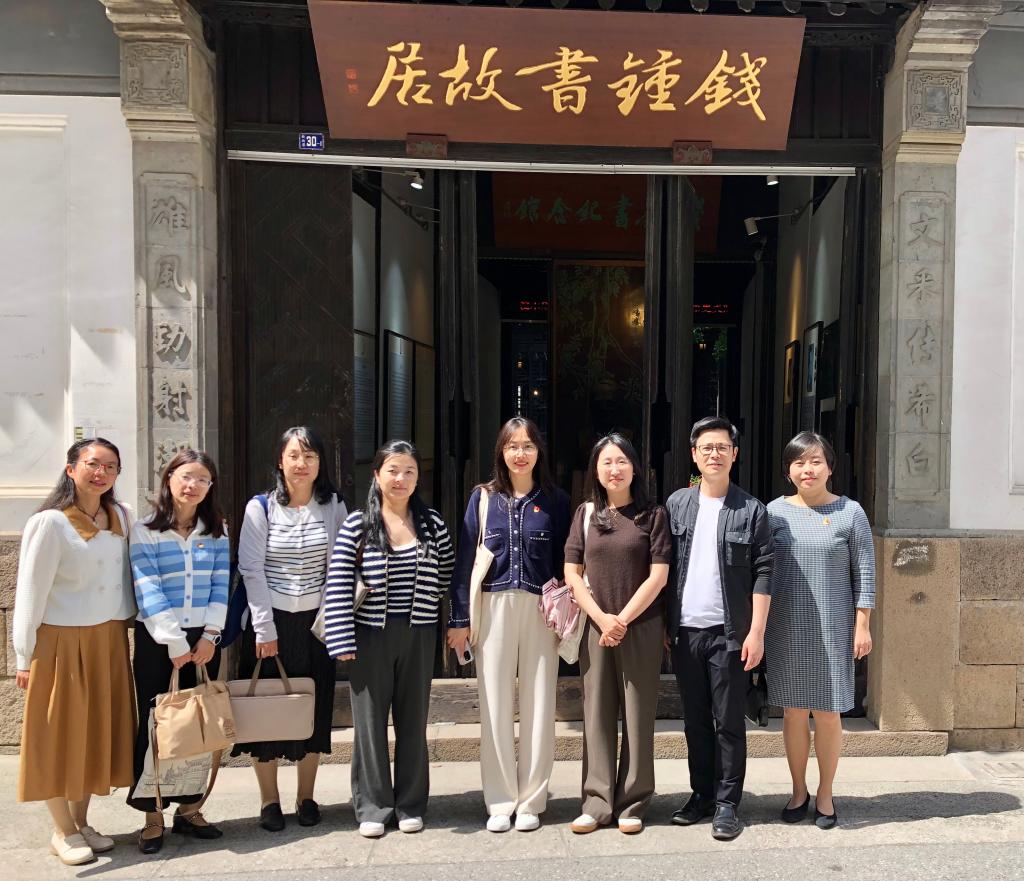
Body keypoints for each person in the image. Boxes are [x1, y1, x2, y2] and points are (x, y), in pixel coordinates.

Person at [321, 440, 455, 838]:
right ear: (377, 475)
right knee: (370, 723)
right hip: (369, 636)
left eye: (409, 471)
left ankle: (410, 804)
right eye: (393, 470)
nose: (401, 478)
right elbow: (339, 582)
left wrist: (428, 606)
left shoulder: (432, 524)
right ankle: (373, 806)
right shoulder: (358, 524)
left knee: (413, 721)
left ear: (418, 478)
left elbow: (445, 572)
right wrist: (341, 639)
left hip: (418, 634)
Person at [13, 438, 136, 866]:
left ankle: (81, 821)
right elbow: (30, 593)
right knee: (57, 736)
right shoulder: (50, 522)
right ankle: (62, 829)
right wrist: (23, 655)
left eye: (111, 466)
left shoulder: (121, 517)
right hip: (60, 642)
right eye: (92, 464)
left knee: (94, 734)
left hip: (108, 639)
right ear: (71, 469)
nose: (101, 473)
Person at [447, 417, 570, 833]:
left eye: (528, 446)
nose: (520, 453)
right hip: (493, 605)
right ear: (501, 451)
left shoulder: (555, 500)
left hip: (541, 608)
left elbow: (566, 561)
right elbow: (465, 559)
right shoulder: (483, 499)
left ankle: (532, 799)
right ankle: (500, 800)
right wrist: (459, 619)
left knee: (540, 704)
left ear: (539, 452)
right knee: (494, 704)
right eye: (512, 446)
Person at [234, 427, 348, 832]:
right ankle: (269, 800)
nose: (302, 464)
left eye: (310, 456)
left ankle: (306, 796)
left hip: (316, 623)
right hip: (270, 621)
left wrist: (333, 621)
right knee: (265, 710)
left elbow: (340, 566)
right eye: (294, 455)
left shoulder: (333, 505)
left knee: (311, 709)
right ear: (280, 461)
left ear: (320, 463)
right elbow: (251, 569)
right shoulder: (260, 508)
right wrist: (265, 629)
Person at [665, 416, 773, 841]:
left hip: (730, 634)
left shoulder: (751, 509)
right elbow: (663, 566)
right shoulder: (677, 504)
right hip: (685, 632)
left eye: (722, 447)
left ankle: (728, 803)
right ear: (694, 455)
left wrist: (756, 633)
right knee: (695, 721)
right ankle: (702, 795)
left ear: (734, 454)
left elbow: (765, 572)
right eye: (706, 448)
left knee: (728, 722)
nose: (714, 454)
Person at [764, 432, 875, 830]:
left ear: (830, 467)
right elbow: (762, 572)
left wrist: (863, 625)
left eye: (815, 461)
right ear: (788, 470)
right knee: (793, 712)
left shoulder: (850, 512)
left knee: (828, 712)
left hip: (834, 626)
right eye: (799, 462)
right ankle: (798, 791)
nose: (807, 469)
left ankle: (825, 793)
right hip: (786, 625)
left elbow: (865, 573)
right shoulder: (773, 513)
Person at [563, 434, 670, 835]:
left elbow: (658, 576)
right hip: (596, 628)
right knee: (596, 714)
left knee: (638, 716)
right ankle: (597, 802)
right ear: (596, 470)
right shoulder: (586, 514)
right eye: (606, 462)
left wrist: (620, 620)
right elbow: (572, 573)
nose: (615, 469)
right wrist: (601, 619)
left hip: (640, 627)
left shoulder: (653, 515)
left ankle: (633, 801)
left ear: (635, 468)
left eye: (622, 461)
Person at [127, 449, 230, 853]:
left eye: (202, 479)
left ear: (210, 487)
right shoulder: (146, 529)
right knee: (157, 725)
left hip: (203, 641)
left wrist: (210, 635)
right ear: (169, 478)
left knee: (198, 724)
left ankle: (189, 809)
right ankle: (152, 815)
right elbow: (147, 587)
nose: (193, 485)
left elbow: (221, 584)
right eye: (186, 476)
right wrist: (173, 641)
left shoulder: (217, 531)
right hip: (159, 640)